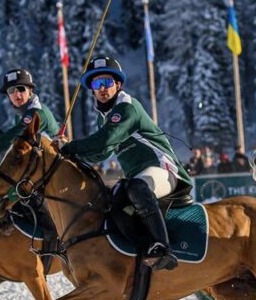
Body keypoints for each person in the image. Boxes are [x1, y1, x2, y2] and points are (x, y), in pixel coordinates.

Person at [60, 56, 193, 271]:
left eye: (107, 83)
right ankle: (140, 254)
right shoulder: (104, 117)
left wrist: (69, 148)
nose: (102, 88)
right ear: (92, 90)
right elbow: (102, 153)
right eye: (97, 84)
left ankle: (162, 248)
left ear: (118, 85)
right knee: (113, 201)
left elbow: (105, 140)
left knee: (134, 187)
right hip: (138, 179)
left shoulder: (126, 108)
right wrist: (69, 152)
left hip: (165, 171)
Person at [0, 69, 60, 165]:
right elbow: (16, 141)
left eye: (21, 89)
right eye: (11, 90)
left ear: (30, 90)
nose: (16, 94)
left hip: (55, 170)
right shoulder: (22, 113)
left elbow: (11, 139)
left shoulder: (36, 113)